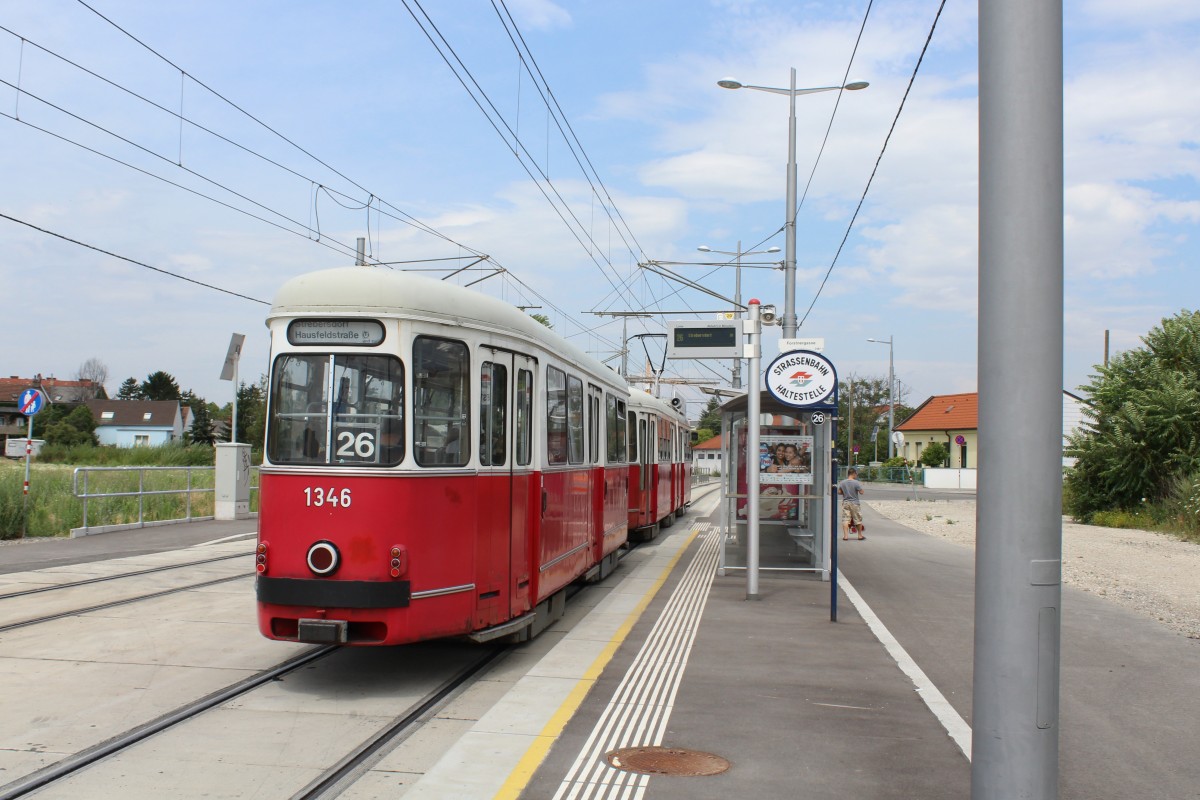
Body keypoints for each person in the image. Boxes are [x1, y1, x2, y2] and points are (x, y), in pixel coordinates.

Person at [837, 467, 866, 541]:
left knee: (845, 519)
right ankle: (860, 535)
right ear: (853, 474)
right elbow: (862, 492)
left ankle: (845, 536)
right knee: (857, 519)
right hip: (855, 503)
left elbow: (839, 492)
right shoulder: (856, 482)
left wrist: (845, 492)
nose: (856, 475)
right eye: (856, 474)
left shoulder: (842, 482)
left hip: (846, 502)